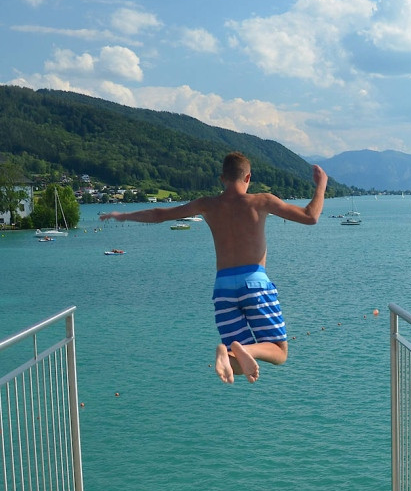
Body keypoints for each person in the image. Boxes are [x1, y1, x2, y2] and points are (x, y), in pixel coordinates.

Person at [100, 152, 328, 384]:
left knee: (237, 366)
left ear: (222, 178)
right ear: (248, 177)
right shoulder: (261, 201)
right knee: (280, 352)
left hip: (223, 288)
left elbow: (159, 214)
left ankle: (230, 352)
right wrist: (321, 185)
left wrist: (124, 215)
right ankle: (247, 349)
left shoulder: (206, 205)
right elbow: (310, 216)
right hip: (254, 282)